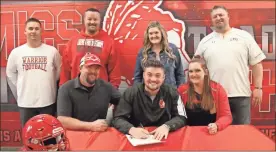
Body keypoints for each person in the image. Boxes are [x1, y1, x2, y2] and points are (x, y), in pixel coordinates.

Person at [194, 5, 266, 124]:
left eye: (221, 15)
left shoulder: (244, 37)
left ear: (228, 16)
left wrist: (258, 88)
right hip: (214, 97)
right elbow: (196, 67)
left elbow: (257, 63)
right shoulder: (204, 42)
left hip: (241, 95)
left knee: (242, 134)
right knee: (217, 135)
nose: (218, 18)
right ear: (212, 20)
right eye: (215, 16)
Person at [113, 59, 187, 141]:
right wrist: (131, 129)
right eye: (149, 75)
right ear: (144, 75)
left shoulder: (173, 92)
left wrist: (167, 126)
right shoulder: (130, 92)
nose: (153, 79)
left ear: (163, 77)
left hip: (164, 137)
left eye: (158, 75)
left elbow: (182, 117)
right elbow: (118, 118)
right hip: (137, 138)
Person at [6, 17, 61, 126]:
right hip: (26, 103)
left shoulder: (52, 51)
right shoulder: (16, 52)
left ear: (41, 31)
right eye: (30, 28)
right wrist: (21, 84)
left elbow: (59, 70)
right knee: (28, 136)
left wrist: (48, 81)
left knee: (48, 136)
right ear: (25, 31)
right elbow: (10, 73)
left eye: (36, 29)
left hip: (48, 101)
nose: (33, 31)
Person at [57, 53, 121, 131]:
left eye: (97, 68)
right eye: (89, 67)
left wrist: (119, 119)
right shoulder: (66, 89)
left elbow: (124, 101)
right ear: (80, 68)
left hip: (98, 134)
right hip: (75, 135)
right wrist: (91, 126)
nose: (93, 71)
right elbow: (62, 120)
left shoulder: (106, 87)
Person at [59, 7, 121, 88]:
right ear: (84, 21)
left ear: (100, 21)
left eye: (95, 19)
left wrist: (113, 91)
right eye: (89, 19)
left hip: (99, 92)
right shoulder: (73, 42)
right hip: (76, 91)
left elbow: (114, 71)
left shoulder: (109, 42)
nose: (92, 22)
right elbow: (65, 70)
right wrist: (63, 88)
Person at [178, 55, 232, 134]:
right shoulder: (182, 90)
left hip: (210, 134)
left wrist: (217, 125)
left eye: (197, 70)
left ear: (205, 71)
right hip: (189, 135)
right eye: (191, 71)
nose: (193, 74)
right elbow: (177, 116)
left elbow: (226, 116)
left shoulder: (218, 90)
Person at [133, 21, 185, 88]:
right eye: (151, 33)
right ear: (148, 36)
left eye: (156, 33)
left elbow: (180, 74)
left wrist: (179, 91)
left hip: (170, 94)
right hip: (149, 94)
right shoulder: (143, 52)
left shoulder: (172, 50)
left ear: (162, 34)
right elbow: (137, 77)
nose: (154, 36)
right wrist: (139, 93)